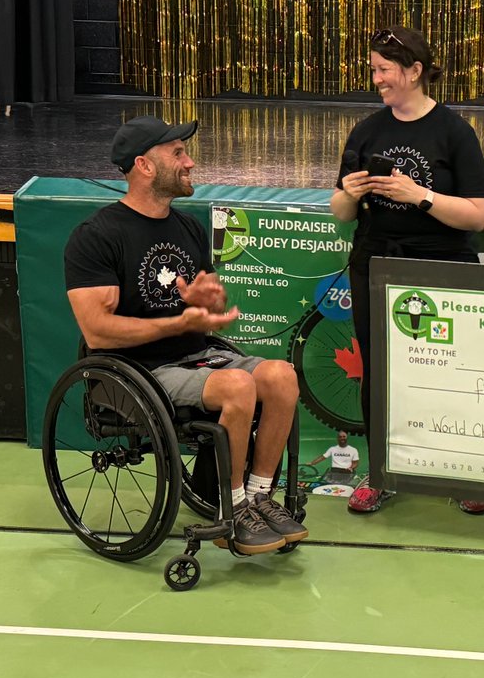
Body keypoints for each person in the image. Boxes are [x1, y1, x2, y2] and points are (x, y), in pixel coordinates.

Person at [63, 114, 307, 556]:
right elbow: (97, 331)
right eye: (178, 153)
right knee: (238, 385)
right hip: (138, 372)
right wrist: (182, 322)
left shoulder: (188, 227)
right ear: (145, 166)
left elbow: (205, 312)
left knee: (282, 375)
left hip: (198, 357)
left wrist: (207, 302)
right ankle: (232, 510)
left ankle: (258, 498)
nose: (190, 162)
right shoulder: (96, 237)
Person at [331, 26, 484, 515]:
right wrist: (352, 192)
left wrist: (418, 196)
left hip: (440, 264)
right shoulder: (366, 131)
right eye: (373, 69)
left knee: (451, 371)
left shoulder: (454, 132)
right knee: (378, 370)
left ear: (415, 71)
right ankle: (382, 469)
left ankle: (462, 470)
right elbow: (340, 213)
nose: (376, 79)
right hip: (375, 262)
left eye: (384, 69)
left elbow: (478, 216)